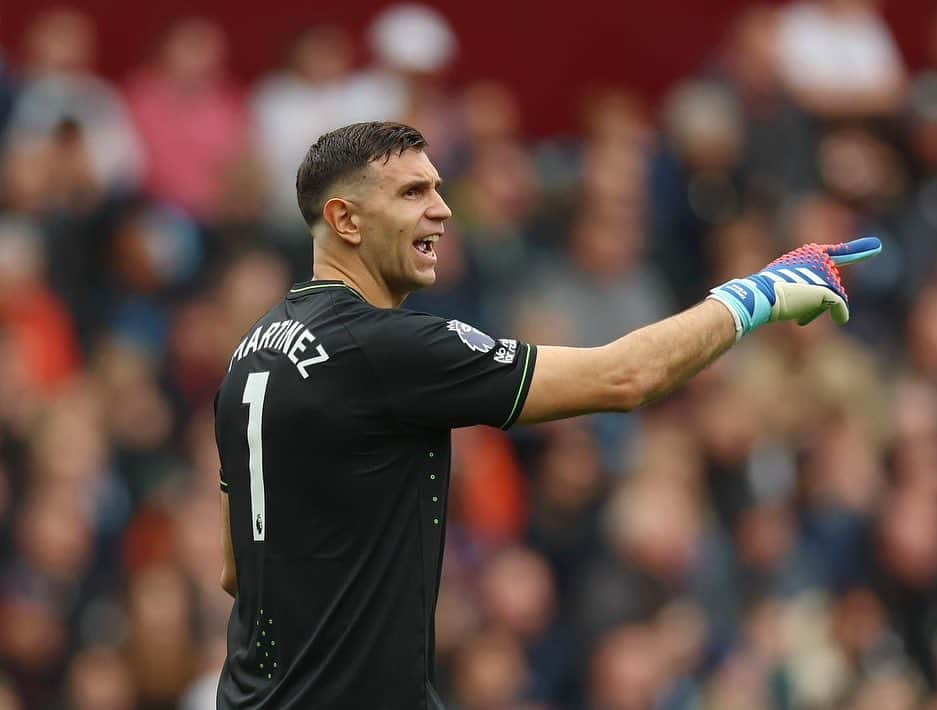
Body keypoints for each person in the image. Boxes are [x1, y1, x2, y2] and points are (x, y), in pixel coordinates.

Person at [212, 121, 880, 708]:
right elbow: (626, 375)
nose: (442, 211)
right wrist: (756, 294)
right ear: (346, 220)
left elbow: (235, 569)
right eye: (412, 193)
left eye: (438, 188)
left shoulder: (252, 352)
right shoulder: (387, 349)